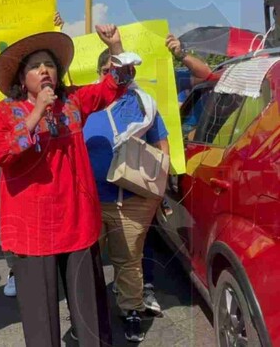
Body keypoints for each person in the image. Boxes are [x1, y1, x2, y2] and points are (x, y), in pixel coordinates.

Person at [0, 25, 138, 347]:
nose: (44, 70)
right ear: (21, 79)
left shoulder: (74, 101)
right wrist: (37, 111)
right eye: (35, 66)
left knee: (90, 311)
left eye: (50, 64)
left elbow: (112, 87)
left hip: (76, 221)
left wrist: (115, 46)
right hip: (33, 230)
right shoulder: (5, 112)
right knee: (41, 318)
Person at [84, 34, 169, 343]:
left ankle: (131, 309)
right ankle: (87, 313)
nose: (115, 75)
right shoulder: (86, 106)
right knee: (87, 263)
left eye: (119, 69)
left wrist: (157, 192)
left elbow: (161, 144)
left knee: (129, 260)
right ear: (100, 75)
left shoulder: (142, 104)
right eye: (109, 70)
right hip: (91, 201)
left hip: (133, 201)